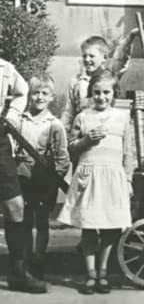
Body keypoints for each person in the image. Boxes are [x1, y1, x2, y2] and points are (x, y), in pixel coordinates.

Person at [58, 70, 134, 295]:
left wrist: (128, 179)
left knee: (111, 227)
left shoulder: (122, 117)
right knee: (90, 227)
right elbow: (71, 148)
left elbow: (128, 152)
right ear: (91, 93)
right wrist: (86, 141)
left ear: (114, 93)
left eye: (106, 92)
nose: (101, 97)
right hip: (89, 177)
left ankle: (103, 272)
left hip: (112, 177)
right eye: (97, 92)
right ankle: (90, 274)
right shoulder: (83, 116)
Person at [12, 74, 70, 279]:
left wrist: (54, 179)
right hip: (22, 177)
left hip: (45, 180)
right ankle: (27, 258)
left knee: (42, 221)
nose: (40, 97)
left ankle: (39, 258)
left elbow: (62, 157)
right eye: (36, 93)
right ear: (29, 95)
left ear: (51, 97)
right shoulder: (20, 121)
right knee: (25, 220)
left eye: (45, 93)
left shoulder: (54, 125)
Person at [0, 57, 47, 293]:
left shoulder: (5, 68)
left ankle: (18, 273)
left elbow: (22, 91)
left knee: (15, 205)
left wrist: (11, 116)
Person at [61, 31, 137, 134]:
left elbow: (120, 56)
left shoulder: (109, 76)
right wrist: (63, 131)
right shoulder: (76, 81)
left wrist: (130, 36)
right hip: (83, 128)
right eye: (84, 56)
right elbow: (69, 110)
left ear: (104, 58)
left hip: (105, 127)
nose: (87, 59)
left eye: (91, 56)